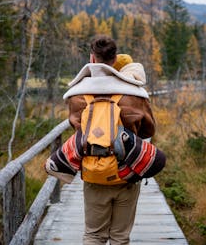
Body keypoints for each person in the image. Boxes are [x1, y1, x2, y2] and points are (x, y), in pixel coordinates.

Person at [61, 35, 156, 245]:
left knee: (94, 235)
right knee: (120, 237)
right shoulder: (135, 94)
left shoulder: (78, 96)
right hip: (127, 172)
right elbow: (149, 129)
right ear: (116, 60)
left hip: (94, 172)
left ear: (92, 58)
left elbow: (77, 128)